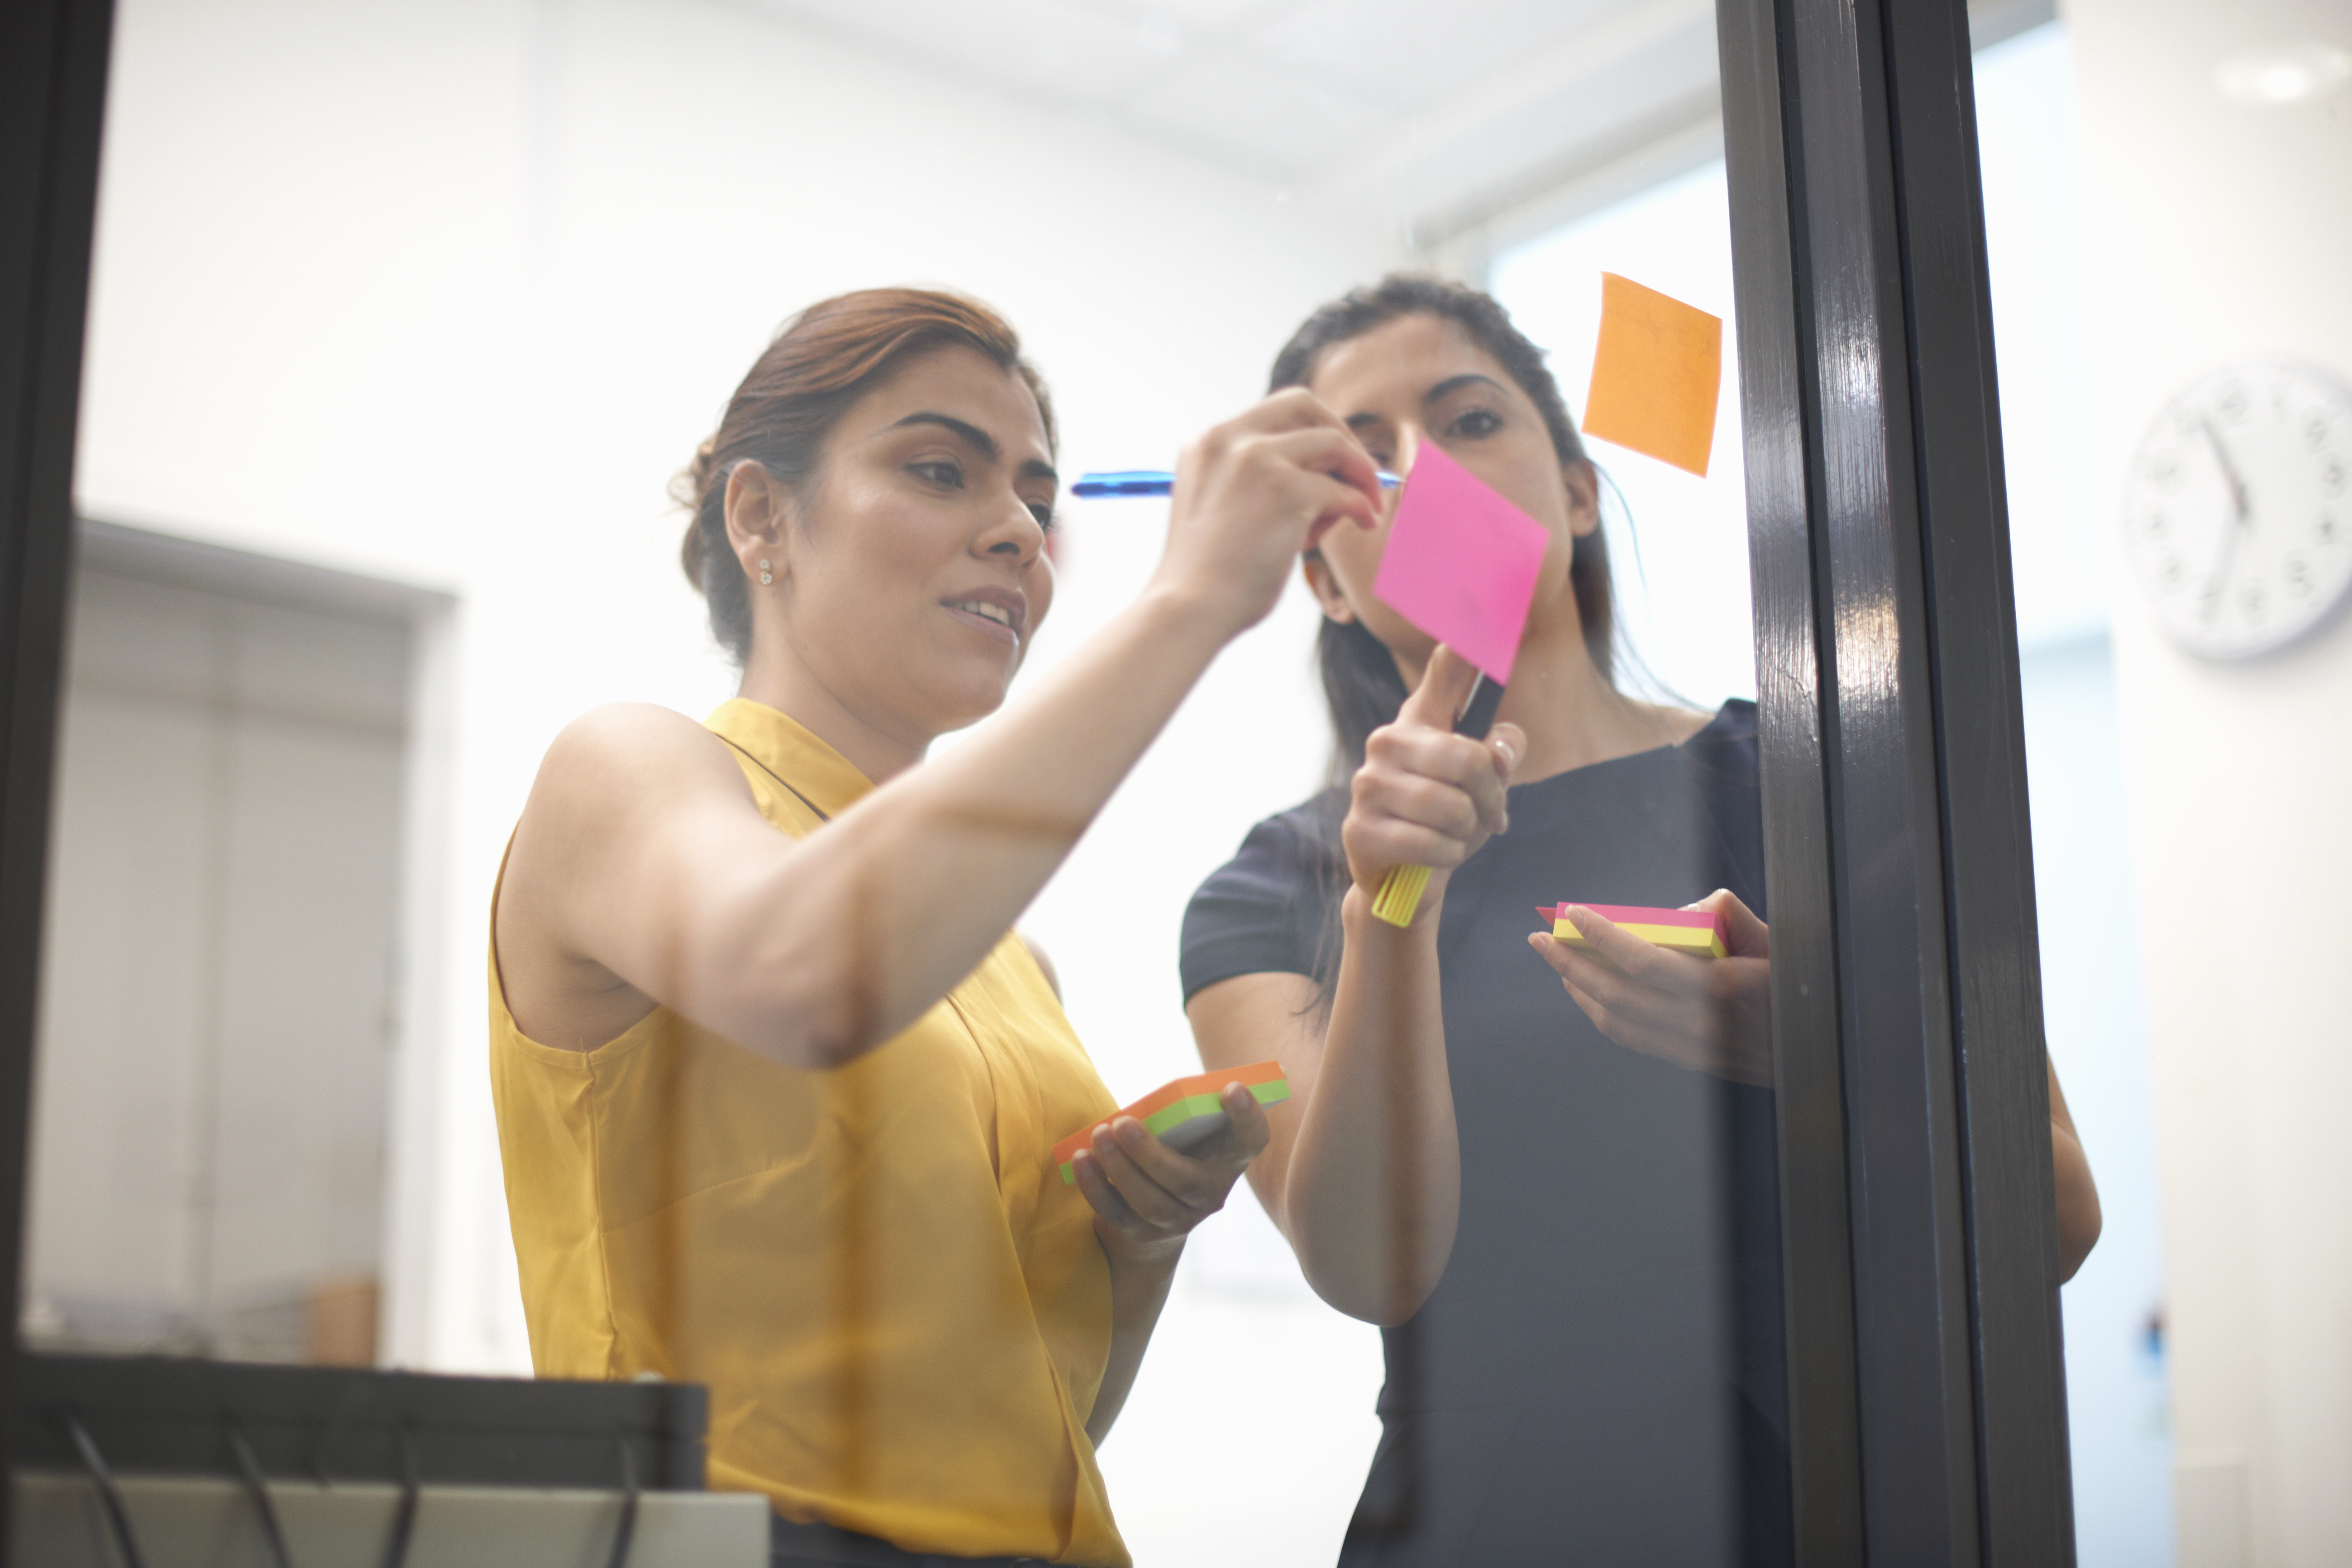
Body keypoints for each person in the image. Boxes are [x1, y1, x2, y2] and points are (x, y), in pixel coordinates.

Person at [1180, 275, 2102, 1564]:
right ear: (1323, 577)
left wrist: (1824, 1052)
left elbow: (2055, 1216)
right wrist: (1391, 899)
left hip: (1834, 1503)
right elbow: (1366, 1266)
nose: (1423, 477)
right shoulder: (1267, 893)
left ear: (1575, 495)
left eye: (1468, 421)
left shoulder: (1823, 789)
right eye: (1366, 456)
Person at [488, 288, 1387, 1568]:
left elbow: (1053, 1428)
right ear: (761, 518)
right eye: (938, 469)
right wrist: (1189, 599)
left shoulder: (1011, 959)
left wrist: (1139, 1242)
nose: (1016, 530)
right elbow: (808, 971)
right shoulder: (629, 772)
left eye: (1034, 494)